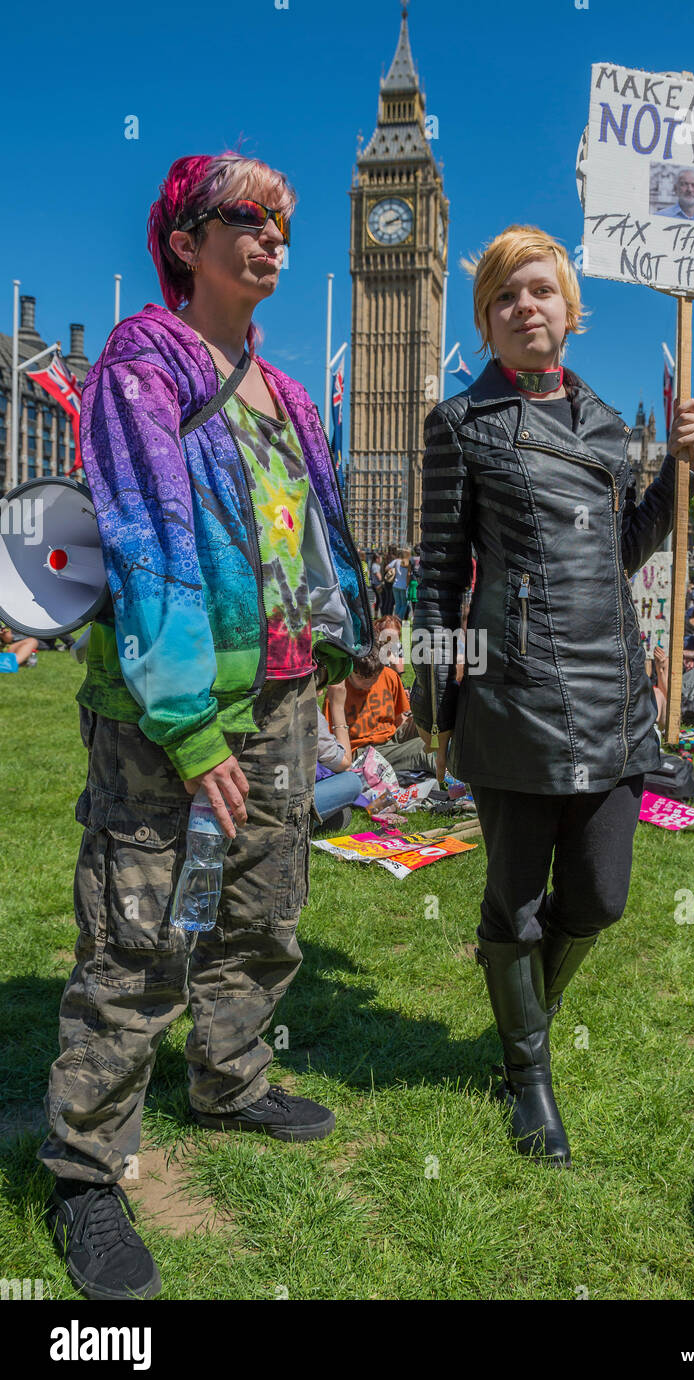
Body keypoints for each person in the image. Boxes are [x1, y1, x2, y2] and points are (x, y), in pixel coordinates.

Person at [38, 149, 373, 1301]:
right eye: (250, 220)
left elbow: (310, 543)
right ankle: (86, 1166)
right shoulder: (147, 362)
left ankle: (230, 1077)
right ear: (186, 242)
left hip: (280, 697)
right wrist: (187, 724)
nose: (276, 240)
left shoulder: (285, 392)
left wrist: (338, 659)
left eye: (285, 224)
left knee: (265, 906)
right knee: (139, 930)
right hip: (169, 710)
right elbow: (145, 542)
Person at [410, 224, 694, 1167]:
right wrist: (435, 711)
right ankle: (527, 1073)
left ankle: (527, 1009)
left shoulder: (614, 428)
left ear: (570, 311)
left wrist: (677, 474)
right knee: (515, 901)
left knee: (602, 899)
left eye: (538, 290)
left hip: (616, 697)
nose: (523, 306)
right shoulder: (460, 424)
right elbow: (437, 578)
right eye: (503, 296)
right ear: (487, 323)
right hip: (515, 699)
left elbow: (619, 554)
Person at [324, 652, 438, 775]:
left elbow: (400, 720)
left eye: (374, 677)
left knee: (433, 726)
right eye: (361, 678)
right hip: (362, 751)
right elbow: (334, 743)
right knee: (424, 749)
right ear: (349, 670)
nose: (369, 683)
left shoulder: (389, 676)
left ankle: (455, 769)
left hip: (391, 736)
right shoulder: (337, 694)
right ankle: (452, 786)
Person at [314, 667, 364, 833]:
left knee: (341, 816)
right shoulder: (306, 709)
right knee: (351, 781)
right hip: (284, 803)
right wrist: (337, 706)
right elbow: (344, 763)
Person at [392, 547, 410, 620]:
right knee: (404, 605)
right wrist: (407, 584)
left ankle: (395, 620)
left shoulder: (396, 561)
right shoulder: (408, 562)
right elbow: (408, 575)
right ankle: (398, 618)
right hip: (404, 586)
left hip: (395, 585)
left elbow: (387, 567)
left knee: (398, 604)